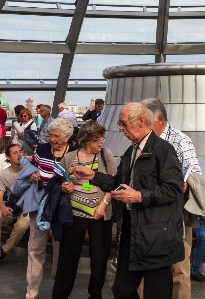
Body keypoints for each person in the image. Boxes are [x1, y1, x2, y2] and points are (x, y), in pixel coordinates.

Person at [72, 102, 184, 299]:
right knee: (121, 290)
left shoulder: (163, 150)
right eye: (119, 123)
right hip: (133, 233)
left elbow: (174, 189)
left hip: (156, 236)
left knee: (156, 293)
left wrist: (140, 196)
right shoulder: (131, 151)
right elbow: (118, 183)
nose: (120, 128)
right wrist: (93, 176)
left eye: (123, 123)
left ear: (141, 121)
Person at [141, 97, 205, 292]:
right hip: (148, 209)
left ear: (160, 119)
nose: (143, 124)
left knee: (180, 267)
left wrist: (184, 184)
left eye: (146, 119)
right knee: (144, 267)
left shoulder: (181, 140)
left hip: (175, 212)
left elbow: (195, 174)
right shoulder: (142, 140)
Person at [52, 121, 117, 299]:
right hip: (74, 214)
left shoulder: (105, 155)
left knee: (99, 259)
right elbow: (59, 181)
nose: (101, 141)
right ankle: (60, 295)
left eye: (102, 138)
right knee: (68, 258)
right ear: (87, 139)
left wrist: (103, 205)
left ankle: (95, 295)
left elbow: (114, 182)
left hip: (100, 214)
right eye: (98, 139)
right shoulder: (70, 157)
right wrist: (64, 187)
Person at [26, 117, 76, 299]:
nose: (52, 139)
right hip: (40, 202)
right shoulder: (43, 148)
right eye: (50, 135)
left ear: (67, 137)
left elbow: (80, 181)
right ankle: (31, 292)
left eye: (56, 136)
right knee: (35, 247)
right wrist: (32, 174)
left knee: (59, 249)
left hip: (62, 206)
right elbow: (32, 166)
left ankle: (57, 289)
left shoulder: (74, 153)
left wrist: (68, 186)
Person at [0, 143, 31, 270]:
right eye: (15, 153)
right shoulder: (3, 175)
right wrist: (3, 208)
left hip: (27, 207)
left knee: (22, 224)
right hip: (12, 206)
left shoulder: (29, 170)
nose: (19, 154)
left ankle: (4, 251)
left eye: (20, 151)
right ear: (8, 157)